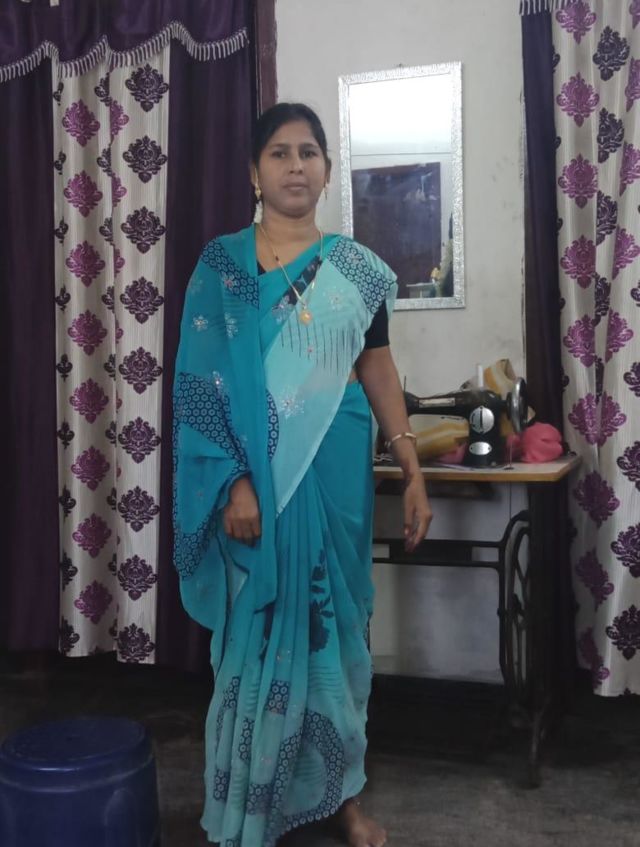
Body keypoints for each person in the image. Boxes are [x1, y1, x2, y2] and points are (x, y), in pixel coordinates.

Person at [173, 102, 432, 847]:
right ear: (255, 172)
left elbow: (375, 366)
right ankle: (250, 802)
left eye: (309, 152)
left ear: (326, 168)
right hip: (256, 480)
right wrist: (234, 482)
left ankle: (341, 797)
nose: (296, 166)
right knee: (257, 633)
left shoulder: (356, 271)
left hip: (337, 464)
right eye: (279, 153)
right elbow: (199, 389)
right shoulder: (222, 268)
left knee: (337, 627)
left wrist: (411, 464)